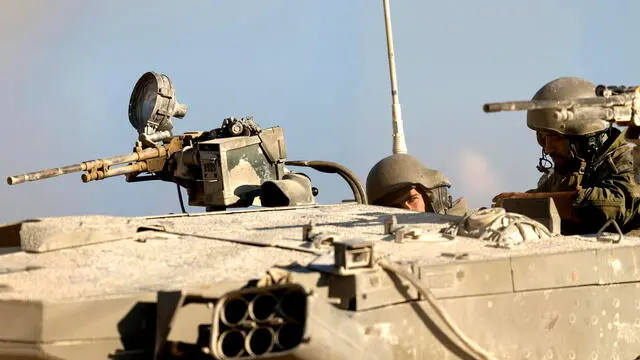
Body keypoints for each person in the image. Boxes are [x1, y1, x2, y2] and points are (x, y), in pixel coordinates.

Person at [493, 76, 640, 234]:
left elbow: (613, 207)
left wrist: (522, 201)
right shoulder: (569, 171)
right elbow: (539, 202)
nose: (548, 149)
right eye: (542, 137)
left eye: (555, 138)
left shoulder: (630, 160)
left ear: (586, 140)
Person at [366, 153, 467, 215]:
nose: (408, 210)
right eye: (396, 207)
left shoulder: (468, 225)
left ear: (429, 198)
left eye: (412, 199)